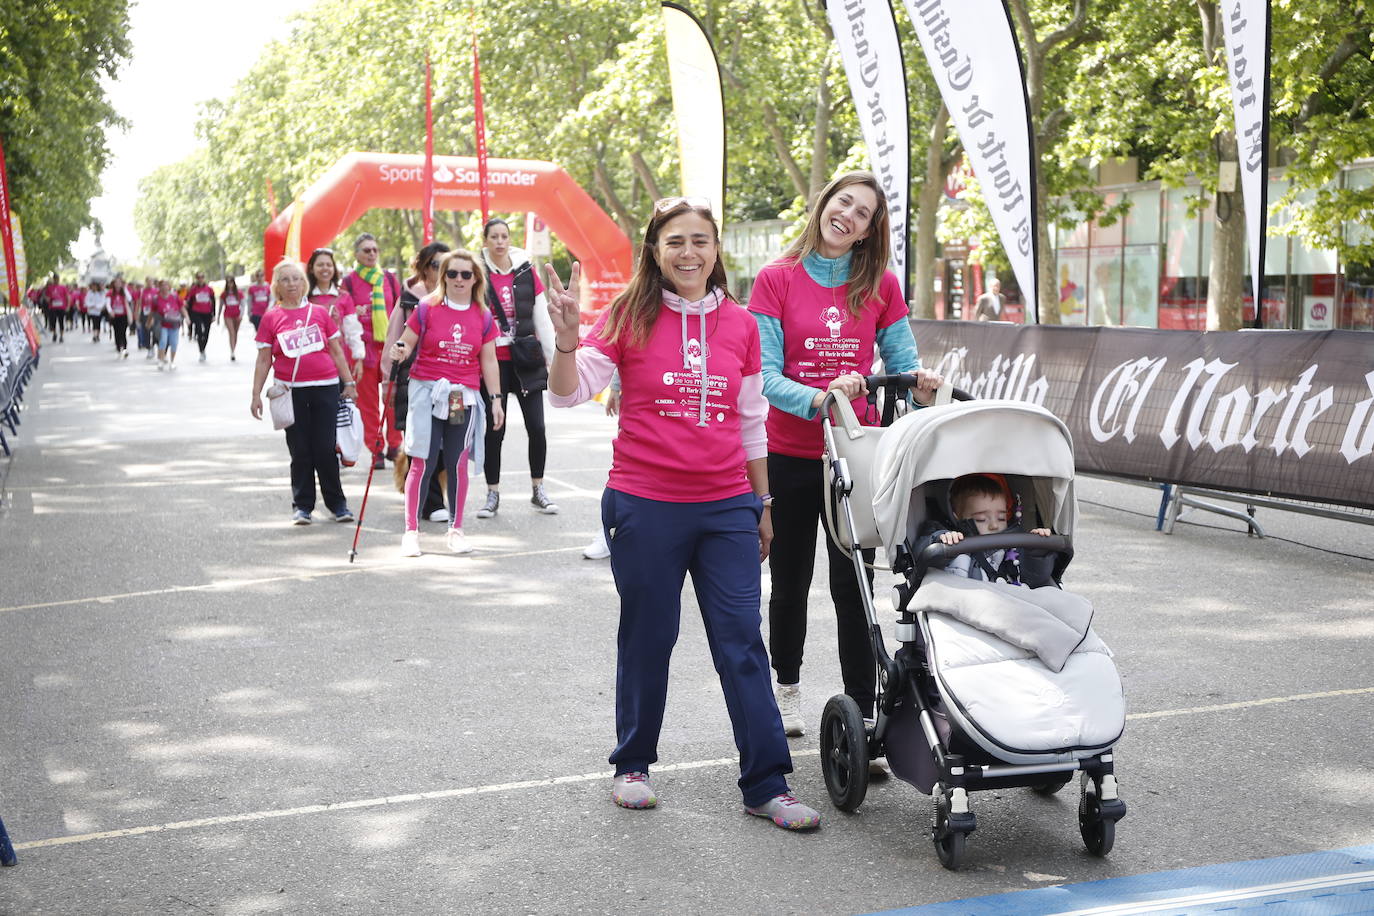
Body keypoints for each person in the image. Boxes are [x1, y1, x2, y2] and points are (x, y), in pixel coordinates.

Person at [545, 197, 820, 831]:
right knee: (649, 636)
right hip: (645, 503)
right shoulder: (628, 315)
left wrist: (764, 502)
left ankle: (767, 784)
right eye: (675, 242)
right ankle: (633, 765)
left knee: (741, 642)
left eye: (700, 241)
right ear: (655, 251)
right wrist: (564, 341)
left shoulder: (743, 324)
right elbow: (567, 393)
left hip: (727, 505)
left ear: (716, 249)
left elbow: (753, 424)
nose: (689, 253)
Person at [747, 170, 941, 741]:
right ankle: (787, 689)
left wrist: (917, 383)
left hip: (857, 453)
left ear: (868, 230)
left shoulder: (880, 283)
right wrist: (819, 396)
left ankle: (864, 707)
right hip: (790, 452)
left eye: (862, 213)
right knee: (790, 579)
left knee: (853, 583)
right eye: (843, 203)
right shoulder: (775, 278)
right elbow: (765, 375)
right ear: (823, 204)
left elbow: (902, 364)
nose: (849, 216)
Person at [388, 249, 503, 556]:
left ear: (475, 278)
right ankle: (411, 531)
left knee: (456, 461)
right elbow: (407, 341)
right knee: (421, 459)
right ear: (443, 277)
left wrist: (495, 399)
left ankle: (456, 529)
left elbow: (489, 361)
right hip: (427, 391)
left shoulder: (482, 315)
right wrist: (399, 349)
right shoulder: (427, 308)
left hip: (458, 397)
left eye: (466, 274)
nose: (459, 279)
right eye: (452, 273)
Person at [249, 260, 357, 525]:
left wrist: (349, 382)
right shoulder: (272, 318)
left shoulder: (319, 313)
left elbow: (335, 350)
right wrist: (255, 395)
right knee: (300, 450)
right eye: (285, 279)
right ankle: (303, 505)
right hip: (290, 391)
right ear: (276, 286)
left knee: (325, 448)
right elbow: (264, 359)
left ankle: (337, 504)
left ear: (303, 282)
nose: (292, 284)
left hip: (325, 388)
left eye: (296, 278)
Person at [475, 218, 558, 518]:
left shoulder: (526, 271)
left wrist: (556, 358)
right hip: (493, 364)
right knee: (494, 431)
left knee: (536, 427)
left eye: (504, 236)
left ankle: (538, 488)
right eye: (494, 236)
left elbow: (542, 319)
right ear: (485, 241)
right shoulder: (476, 273)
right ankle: (492, 493)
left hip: (526, 358)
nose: (499, 241)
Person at [381, 241, 451, 523]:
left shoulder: (461, 297)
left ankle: (427, 492)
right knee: (422, 441)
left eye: (447, 265)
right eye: (436, 265)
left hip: (454, 384)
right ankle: (431, 502)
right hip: (416, 382)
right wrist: (388, 381)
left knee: (451, 442)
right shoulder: (410, 299)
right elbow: (393, 341)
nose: (443, 271)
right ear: (423, 268)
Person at [917, 474, 1055, 586]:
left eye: (1001, 518)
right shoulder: (949, 539)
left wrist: (1037, 552)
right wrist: (941, 540)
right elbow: (921, 553)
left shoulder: (1016, 544)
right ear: (957, 516)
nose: (994, 525)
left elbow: (1037, 579)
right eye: (982, 519)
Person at [341, 233, 404, 470]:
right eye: (366, 250)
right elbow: (345, 313)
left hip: (390, 347)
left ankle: (395, 445)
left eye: (374, 250)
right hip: (363, 348)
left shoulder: (388, 278)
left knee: (392, 397)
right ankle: (375, 448)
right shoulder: (348, 282)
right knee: (367, 404)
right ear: (357, 254)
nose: (371, 254)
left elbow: (401, 310)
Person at [186, 271, 216, 362]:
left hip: (207, 312)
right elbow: (189, 302)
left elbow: (213, 302)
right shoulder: (193, 289)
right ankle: (201, 351)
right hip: (196, 312)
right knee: (199, 331)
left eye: (202, 277)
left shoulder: (209, 289)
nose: (200, 279)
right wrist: (190, 315)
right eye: (199, 277)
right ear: (196, 279)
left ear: (204, 278)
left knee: (206, 333)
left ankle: (203, 348)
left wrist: (213, 314)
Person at [156, 279, 184, 370]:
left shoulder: (175, 297)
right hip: (163, 324)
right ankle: (160, 360)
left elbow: (182, 308)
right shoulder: (156, 298)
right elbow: (153, 312)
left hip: (174, 324)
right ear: (159, 287)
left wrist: (187, 317)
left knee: (174, 343)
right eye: (162, 285)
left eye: (166, 285)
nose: (164, 287)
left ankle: (172, 361)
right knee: (163, 341)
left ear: (169, 287)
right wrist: (149, 322)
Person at [220, 275, 244, 361]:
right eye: (228, 282)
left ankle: (234, 348)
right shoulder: (224, 294)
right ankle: (232, 352)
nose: (230, 284)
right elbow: (220, 305)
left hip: (237, 315)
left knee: (236, 333)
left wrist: (241, 315)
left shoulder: (239, 293)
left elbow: (243, 305)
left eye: (231, 282)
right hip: (227, 315)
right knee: (232, 332)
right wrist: (218, 317)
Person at [107, 278, 132, 357]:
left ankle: (124, 348)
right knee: (116, 332)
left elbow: (130, 299)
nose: (118, 284)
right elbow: (107, 303)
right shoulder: (110, 293)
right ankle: (118, 347)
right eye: (116, 283)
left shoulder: (124, 292)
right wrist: (110, 311)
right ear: (114, 284)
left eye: (119, 283)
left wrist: (125, 289)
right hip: (115, 315)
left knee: (123, 332)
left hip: (123, 315)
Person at [139, 276, 160, 357]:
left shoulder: (156, 291)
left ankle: (156, 346)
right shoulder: (142, 291)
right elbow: (140, 302)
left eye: (151, 281)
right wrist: (137, 314)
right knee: (147, 331)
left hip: (154, 314)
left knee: (155, 331)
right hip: (145, 314)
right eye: (148, 281)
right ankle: (149, 348)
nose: (149, 283)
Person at [42, 274, 67, 342]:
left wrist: (68, 306)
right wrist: (46, 297)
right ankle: (55, 333)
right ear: (53, 279)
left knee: (61, 322)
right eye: (55, 279)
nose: (56, 280)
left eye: (57, 279)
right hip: (52, 308)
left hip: (61, 307)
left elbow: (67, 296)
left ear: (59, 279)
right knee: (53, 322)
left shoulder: (63, 287)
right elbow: (47, 298)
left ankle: (61, 336)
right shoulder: (50, 288)